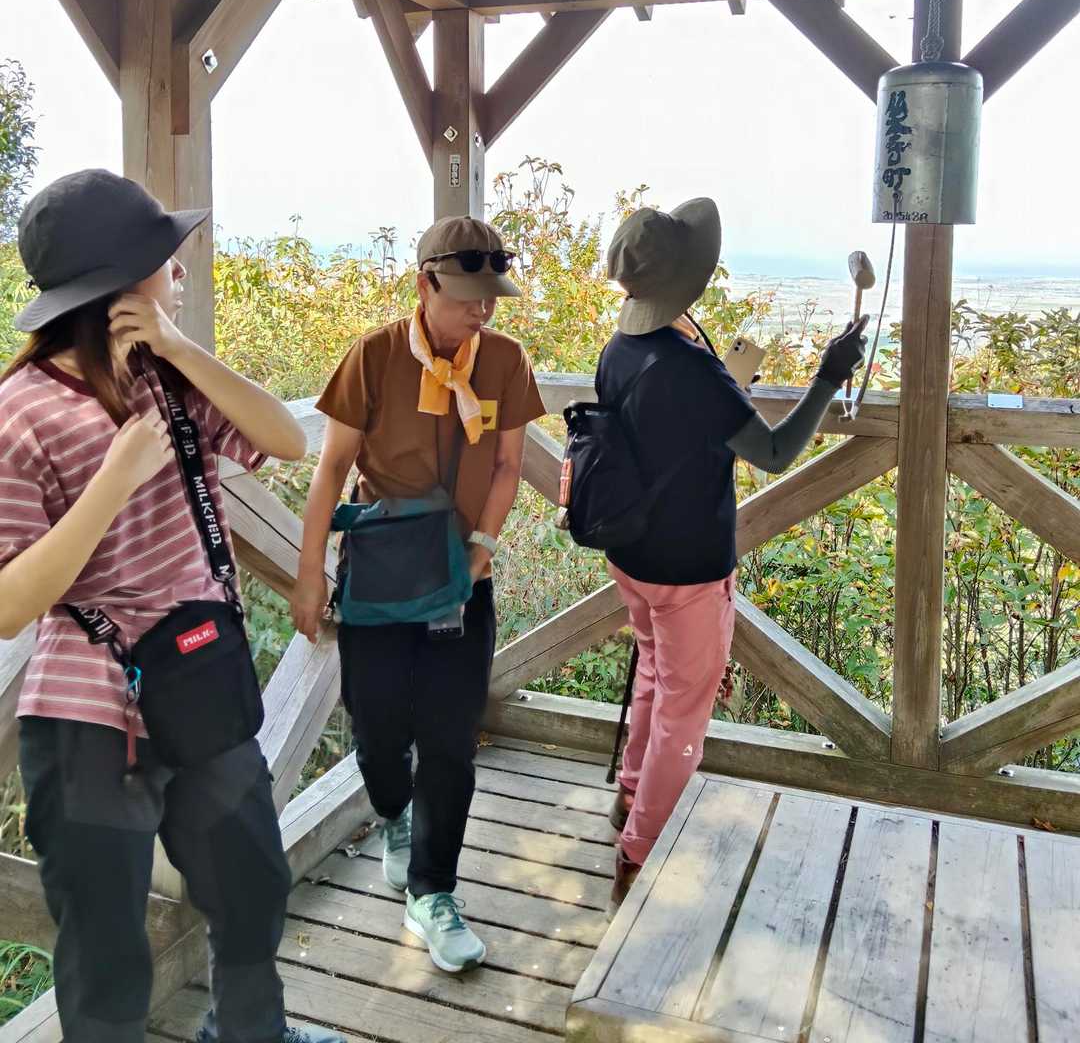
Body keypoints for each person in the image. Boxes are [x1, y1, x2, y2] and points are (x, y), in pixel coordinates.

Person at [0, 169, 344, 1043]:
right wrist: (113, 482)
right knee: (106, 948)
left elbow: (285, 439)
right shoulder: (21, 414)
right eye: (165, 257)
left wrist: (183, 349)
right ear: (117, 282)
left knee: (252, 883)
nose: (180, 270)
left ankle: (251, 1034)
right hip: (88, 718)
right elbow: (7, 605)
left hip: (198, 684)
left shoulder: (168, 376)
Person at [293, 216, 544, 973]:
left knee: (449, 739)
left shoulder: (504, 360)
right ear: (425, 284)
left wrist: (482, 549)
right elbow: (331, 469)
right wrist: (310, 571)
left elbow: (508, 466)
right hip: (380, 574)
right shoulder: (372, 357)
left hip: (463, 579)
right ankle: (395, 813)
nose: (482, 311)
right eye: (467, 296)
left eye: (491, 296)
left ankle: (434, 892)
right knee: (374, 727)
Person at [600, 199, 866, 910]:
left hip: (631, 556)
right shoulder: (690, 368)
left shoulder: (620, 349)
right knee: (683, 715)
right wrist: (828, 377)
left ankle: (630, 798)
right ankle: (639, 858)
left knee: (656, 677)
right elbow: (774, 453)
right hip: (688, 567)